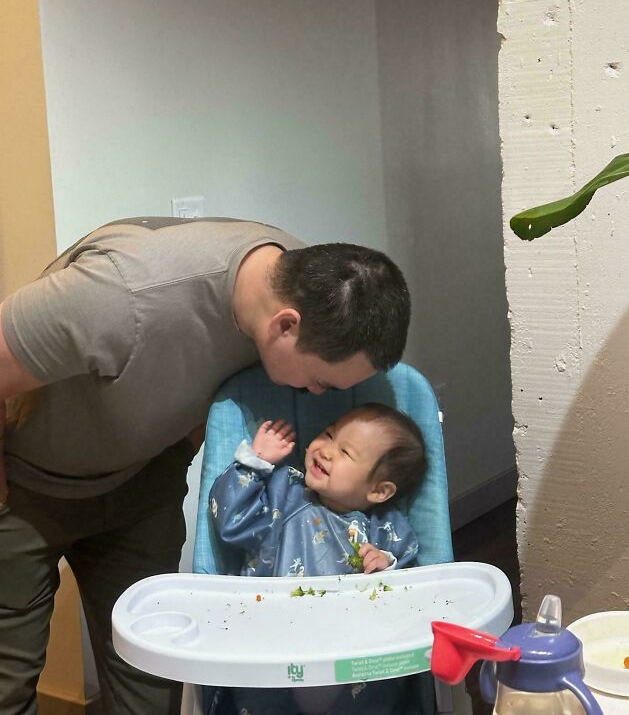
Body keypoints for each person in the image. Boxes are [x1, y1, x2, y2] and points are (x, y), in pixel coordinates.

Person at [0, 216, 410, 715]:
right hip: (26, 487)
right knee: (8, 680)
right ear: (285, 325)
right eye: (321, 380)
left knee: (151, 682)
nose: (318, 395)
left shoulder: (313, 285)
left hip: (141, 483)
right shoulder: (124, 294)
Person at [207, 402, 427, 715]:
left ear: (379, 491)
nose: (326, 450)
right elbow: (231, 521)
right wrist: (255, 464)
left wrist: (385, 568)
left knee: (382, 687)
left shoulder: (385, 530)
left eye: (346, 452)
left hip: (351, 662)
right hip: (272, 646)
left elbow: (413, 596)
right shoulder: (284, 494)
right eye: (328, 434)